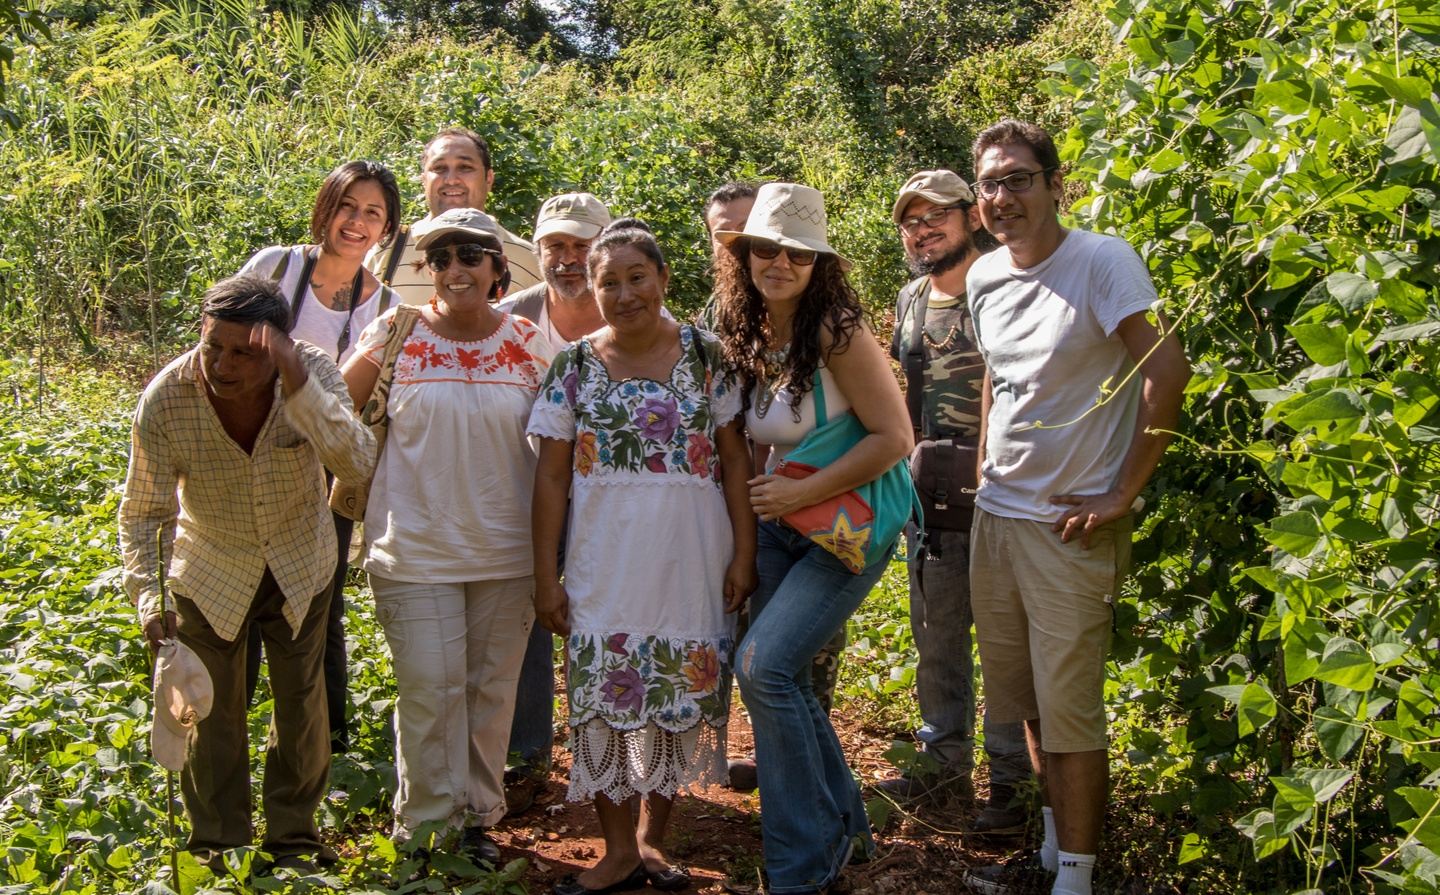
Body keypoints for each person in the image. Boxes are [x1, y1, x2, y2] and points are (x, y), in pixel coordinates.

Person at [959, 121, 1189, 895]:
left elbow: (1167, 367)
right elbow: (997, 376)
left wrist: (1122, 491)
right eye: (990, 182)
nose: (1003, 196)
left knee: (1072, 712)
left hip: (1068, 525)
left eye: (1019, 178)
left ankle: (1079, 882)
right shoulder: (986, 276)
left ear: (1057, 183)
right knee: (1025, 700)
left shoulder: (1101, 260)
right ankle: (1055, 856)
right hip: (998, 515)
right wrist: (986, 463)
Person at [527, 221, 756, 895]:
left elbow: (737, 460)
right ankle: (618, 849)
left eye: (637, 277)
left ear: (663, 280)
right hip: (605, 563)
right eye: (609, 282)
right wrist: (548, 576)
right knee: (604, 697)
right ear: (591, 289)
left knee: (677, 694)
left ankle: (653, 841)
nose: (624, 294)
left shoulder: (707, 355)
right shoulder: (572, 365)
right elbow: (549, 479)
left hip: (691, 559)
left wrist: (744, 551)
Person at [119, 274, 376, 873]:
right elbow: (145, 511)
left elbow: (356, 461)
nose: (224, 365)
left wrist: (298, 383)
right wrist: (147, 598)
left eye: (245, 353)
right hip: (210, 568)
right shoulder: (167, 398)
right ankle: (219, 845)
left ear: (280, 346)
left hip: (300, 561)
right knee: (212, 712)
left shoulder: (310, 373)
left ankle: (294, 841)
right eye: (214, 347)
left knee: (301, 702)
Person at [712, 182, 914, 894]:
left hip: (847, 527)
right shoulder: (744, 327)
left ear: (818, 262)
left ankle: (801, 867)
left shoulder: (836, 330)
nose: (779, 262)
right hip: (781, 527)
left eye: (798, 253)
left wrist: (799, 491)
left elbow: (896, 437)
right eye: (766, 248)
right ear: (745, 255)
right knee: (779, 673)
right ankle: (845, 827)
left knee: (763, 667)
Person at [340, 207, 554, 865]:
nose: (455, 269)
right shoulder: (394, 334)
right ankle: (425, 829)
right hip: (414, 548)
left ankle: (475, 822)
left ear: (496, 268)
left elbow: (568, 442)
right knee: (431, 689)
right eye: (442, 258)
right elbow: (336, 418)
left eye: (469, 256)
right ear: (427, 270)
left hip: (508, 553)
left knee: (490, 695)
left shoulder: (529, 342)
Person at [873, 170, 1030, 831]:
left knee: (1003, 641)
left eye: (937, 214)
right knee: (936, 635)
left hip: (1002, 491)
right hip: (927, 492)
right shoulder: (912, 297)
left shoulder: (1005, 283)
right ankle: (942, 767)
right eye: (911, 220)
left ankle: (1012, 783)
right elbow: (899, 391)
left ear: (970, 217)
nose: (923, 228)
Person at [237, 158, 403, 753]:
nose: (356, 222)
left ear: (387, 229)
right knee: (237, 594)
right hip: (242, 452)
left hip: (320, 465)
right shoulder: (275, 267)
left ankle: (327, 739)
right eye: (347, 206)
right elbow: (220, 347)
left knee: (317, 601)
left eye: (373, 213)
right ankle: (227, 723)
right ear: (324, 208)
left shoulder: (382, 304)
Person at [492, 190, 613, 812]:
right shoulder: (509, 317)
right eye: (555, 247)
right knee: (531, 614)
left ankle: (612, 746)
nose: (568, 260)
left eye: (581, 246)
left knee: (607, 617)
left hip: (614, 498)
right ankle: (527, 754)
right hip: (529, 488)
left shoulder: (629, 310)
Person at [366, 127, 541, 302]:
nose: (451, 179)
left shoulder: (528, 260)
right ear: (424, 180)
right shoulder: (386, 250)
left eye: (465, 167)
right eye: (439, 168)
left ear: (489, 178)